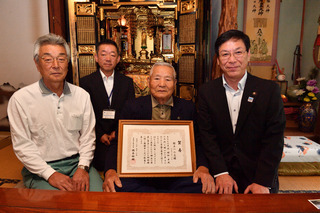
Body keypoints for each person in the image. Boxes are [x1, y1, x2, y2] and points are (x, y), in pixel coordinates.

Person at [7, 33, 103, 191]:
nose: (56, 65)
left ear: (68, 63)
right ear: (37, 64)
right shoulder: (21, 99)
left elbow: (88, 137)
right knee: (59, 204)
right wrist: (49, 174)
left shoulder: (81, 95)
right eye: (48, 59)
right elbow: (22, 146)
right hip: (41, 168)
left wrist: (83, 167)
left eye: (61, 58)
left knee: (98, 200)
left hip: (77, 163)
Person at [103, 62, 215, 194]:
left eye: (168, 79)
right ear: (149, 81)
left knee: (201, 184)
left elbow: (198, 142)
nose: (162, 84)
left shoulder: (187, 108)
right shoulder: (132, 106)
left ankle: (154, 200)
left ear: (175, 82)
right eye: (157, 78)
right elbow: (117, 143)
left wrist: (203, 167)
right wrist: (110, 171)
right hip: (140, 175)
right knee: (117, 186)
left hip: (177, 175)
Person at [198, 30, 286, 194]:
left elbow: (274, 140)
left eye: (238, 52)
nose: (232, 60)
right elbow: (207, 136)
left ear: (248, 55)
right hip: (221, 172)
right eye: (225, 54)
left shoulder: (269, 91)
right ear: (218, 60)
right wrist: (221, 173)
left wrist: (262, 181)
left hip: (259, 174)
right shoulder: (206, 92)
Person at [80, 39, 135, 171]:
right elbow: (85, 114)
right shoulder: (86, 82)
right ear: (96, 58)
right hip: (95, 137)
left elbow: (130, 110)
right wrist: (100, 134)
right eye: (104, 54)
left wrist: (118, 131)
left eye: (112, 55)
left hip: (119, 136)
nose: (108, 58)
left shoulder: (127, 82)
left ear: (118, 59)